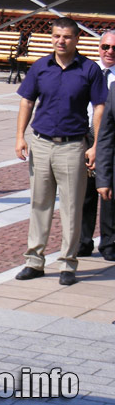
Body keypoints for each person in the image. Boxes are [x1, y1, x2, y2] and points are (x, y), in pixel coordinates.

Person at [14, 17, 107, 286]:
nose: (61, 41)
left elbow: (99, 108)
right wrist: (20, 136)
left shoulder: (89, 70)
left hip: (72, 146)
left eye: (66, 36)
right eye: (56, 36)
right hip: (41, 143)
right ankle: (34, 260)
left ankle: (68, 263)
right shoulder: (41, 67)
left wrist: (96, 145)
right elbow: (26, 101)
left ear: (76, 39)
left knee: (71, 206)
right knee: (39, 204)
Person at [89, 31, 115, 261]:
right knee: (85, 193)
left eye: (114, 48)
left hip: (110, 138)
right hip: (85, 135)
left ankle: (109, 243)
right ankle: (82, 241)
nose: (110, 52)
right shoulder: (88, 71)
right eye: (105, 47)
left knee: (109, 194)